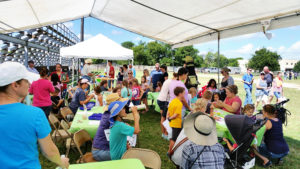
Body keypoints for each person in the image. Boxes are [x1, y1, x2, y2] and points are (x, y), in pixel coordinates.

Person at [0, 62, 69, 168]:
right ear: (15, 85)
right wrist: (61, 162)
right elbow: (49, 151)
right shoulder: (34, 114)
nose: (29, 84)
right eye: (26, 81)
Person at [92, 93, 127, 161]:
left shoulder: (110, 115)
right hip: (100, 151)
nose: (123, 107)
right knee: (125, 155)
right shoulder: (110, 118)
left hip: (101, 148)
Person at [157, 73, 177, 140]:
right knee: (165, 118)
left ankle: (164, 133)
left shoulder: (168, 80)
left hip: (160, 99)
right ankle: (165, 134)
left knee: (163, 117)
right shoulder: (172, 82)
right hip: (164, 100)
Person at [167, 87, 185, 155]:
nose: (184, 94)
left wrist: (168, 118)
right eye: (183, 93)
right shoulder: (179, 103)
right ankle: (170, 152)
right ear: (180, 94)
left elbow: (168, 111)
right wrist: (170, 118)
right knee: (174, 139)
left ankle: (170, 149)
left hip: (171, 123)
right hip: (176, 123)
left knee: (172, 137)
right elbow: (176, 115)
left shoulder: (173, 101)